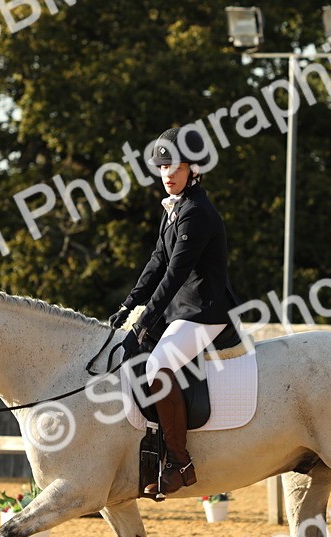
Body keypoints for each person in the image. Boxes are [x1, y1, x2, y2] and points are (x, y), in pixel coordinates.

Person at [109, 125, 243, 498]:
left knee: (158, 366)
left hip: (205, 310)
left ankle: (181, 463)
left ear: (194, 168)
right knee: (133, 358)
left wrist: (146, 320)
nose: (167, 174)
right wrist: (129, 303)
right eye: (162, 168)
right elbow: (156, 261)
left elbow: (175, 272)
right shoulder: (175, 208)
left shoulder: (197, 212)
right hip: (181, 310)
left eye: (176, 167)